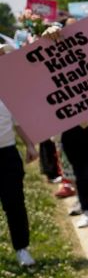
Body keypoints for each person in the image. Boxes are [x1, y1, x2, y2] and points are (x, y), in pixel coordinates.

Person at [0, 94, 38, 268]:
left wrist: (30, 144)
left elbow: (17, 123)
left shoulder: (7, 96)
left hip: (7, 154)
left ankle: (21, 249)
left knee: (15, 204)